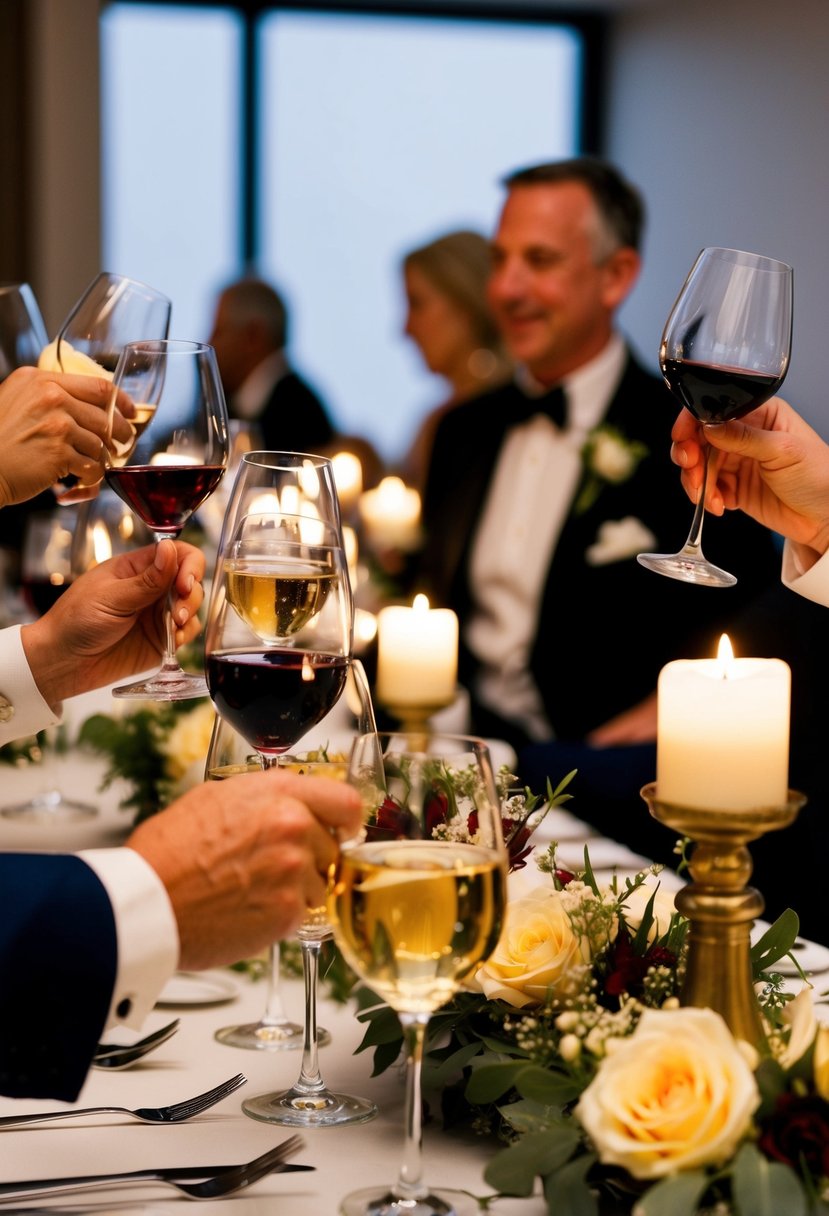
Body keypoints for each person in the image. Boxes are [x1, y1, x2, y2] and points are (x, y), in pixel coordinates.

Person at [417, 157, 784, 862]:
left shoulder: (691, 432)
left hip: (617, 804)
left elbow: (758, 607)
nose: (507, 288)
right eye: (499, 260)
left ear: (615, 276)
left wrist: (676, 705)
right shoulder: (461, 432)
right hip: (464, 778)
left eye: (540, 260)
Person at [398, 229, 512, 494]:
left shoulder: (497, 417)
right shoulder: (441, 413)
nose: (406, 328)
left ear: (465, 306)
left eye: (416, 304)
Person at [207, 276, 335, 454]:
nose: (209, 341)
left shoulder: (297, 411)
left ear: (253, 336)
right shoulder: (236, 402)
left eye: (218, 331)